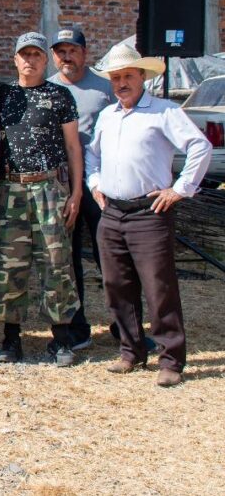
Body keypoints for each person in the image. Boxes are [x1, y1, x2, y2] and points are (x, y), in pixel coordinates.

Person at [85, 43, 211, 387]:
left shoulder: (164, 111)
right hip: (112, 212)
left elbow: (200, 146)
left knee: (159, 288)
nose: (121, 83)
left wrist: (180, 189)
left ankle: (170, 359)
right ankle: (131, 352)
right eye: (116, 77)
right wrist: (94, 183)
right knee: (116, 286)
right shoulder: (107, 116)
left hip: (149, 212)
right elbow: (92, 155)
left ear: (142, 77)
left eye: (128, 76)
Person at [0, 32, 82, 366]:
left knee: (56, 262)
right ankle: (11, 338)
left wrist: (76, 192)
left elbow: (73, 147)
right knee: (10, 264)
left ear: (46, 60)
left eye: (36, 55)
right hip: (11, 188)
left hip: (49, 188)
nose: (30, 60)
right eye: (24, 54)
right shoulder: (2, 96)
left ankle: (61, 339)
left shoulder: (59, 95)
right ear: (15, 59)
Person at [47, 26, 113, 351]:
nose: (67, 57)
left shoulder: (106, 88)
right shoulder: (47, 89)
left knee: (110, 255)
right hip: (61, 184)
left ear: (85, 53)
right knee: (68, 259)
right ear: (54, 56)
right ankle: (78, 329)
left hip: (99, 182)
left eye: (73, 50)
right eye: (61, 51)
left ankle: (125, 327)